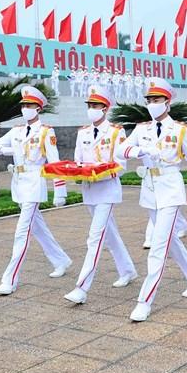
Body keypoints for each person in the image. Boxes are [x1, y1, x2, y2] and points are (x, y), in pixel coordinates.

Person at [120, 78, 187, 322]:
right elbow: (120, 149)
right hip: (150, 191)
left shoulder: (179, 130)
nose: (151, 104)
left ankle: (144, 301)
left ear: (167, 102)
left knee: (158, 246)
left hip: (170, 189)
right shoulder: (141, 129)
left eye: (156, 100)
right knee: (170, 241)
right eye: (149, 100)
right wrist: (139, 151)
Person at [0, 86, 72, 296]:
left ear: (38, 108)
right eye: (23, 105)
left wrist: (60, 191)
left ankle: (10, 280)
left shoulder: (45, 132)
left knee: (22, 232)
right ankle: (61, 260)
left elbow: (54, 161)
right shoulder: (16, 131)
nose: (26, 109)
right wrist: (10, 149)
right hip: (19, 182)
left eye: (30, 105)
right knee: (38, 228)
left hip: (35, 182)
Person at [63, 86, 137, 304]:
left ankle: (81, 288)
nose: (91, 109)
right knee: (110, 234)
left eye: (95, 106)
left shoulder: (116, 132)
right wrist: (76, 172)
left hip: (107, 190)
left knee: (95, 237)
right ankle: (128, 270)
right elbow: (78, 160)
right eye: (89, 106)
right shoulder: (82, 132)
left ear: (105, 108)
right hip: (89, 190)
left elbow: (121, 164)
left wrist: (98, 172)